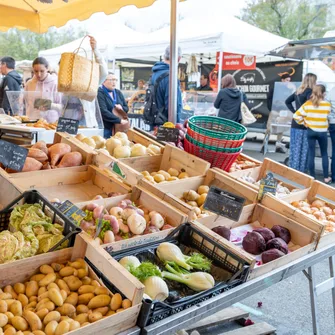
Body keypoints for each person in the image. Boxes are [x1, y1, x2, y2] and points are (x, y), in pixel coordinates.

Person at [293, 84, 331, 184]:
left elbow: (296, 116)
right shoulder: (327, 105)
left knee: (311, 153)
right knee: (324, 154)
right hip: (322, 132)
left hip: (311, 131)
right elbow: (328, 115)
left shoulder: (307, 104)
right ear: (323, 93)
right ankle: (326, 177)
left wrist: (304, 123)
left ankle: (312, 176)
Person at [285, 73, 317, 173]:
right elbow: (311, 107)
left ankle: (293, 168)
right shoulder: (310, 93)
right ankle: (302, 170)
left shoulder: (298, 91)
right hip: (305, 123)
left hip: (295, 123)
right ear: (313, 81)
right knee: (304, 148)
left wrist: (295, 112)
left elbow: (287, 101)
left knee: (295, 147)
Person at [149, 45, 182, 126]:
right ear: (178, 58)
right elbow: (173, 108)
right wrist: (177, 125)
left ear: (164, 56)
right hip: (166, 126)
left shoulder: (155, 73)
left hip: (155, 122)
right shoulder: (171, 77)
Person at [263, 73, 292, 153]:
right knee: (269, 128)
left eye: (289, 81)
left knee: (281, 129)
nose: (288, 82)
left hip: (283, 111)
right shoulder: (275, 88)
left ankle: (278, 146)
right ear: (282, 80)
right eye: (287, 80)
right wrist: (271, 109)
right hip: (274, 110)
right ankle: (264, 145)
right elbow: (269, 99)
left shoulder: (288, 90)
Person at [97, 73, 129, 138]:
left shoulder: (118, 92)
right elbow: (103, 111)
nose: (114, 82)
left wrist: (121, 108)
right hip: (106, 127)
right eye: (111, 80)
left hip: (119, 128)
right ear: (103, 81)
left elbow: (126, 108)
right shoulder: (100, 93)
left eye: (115, 80)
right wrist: (119, 120)